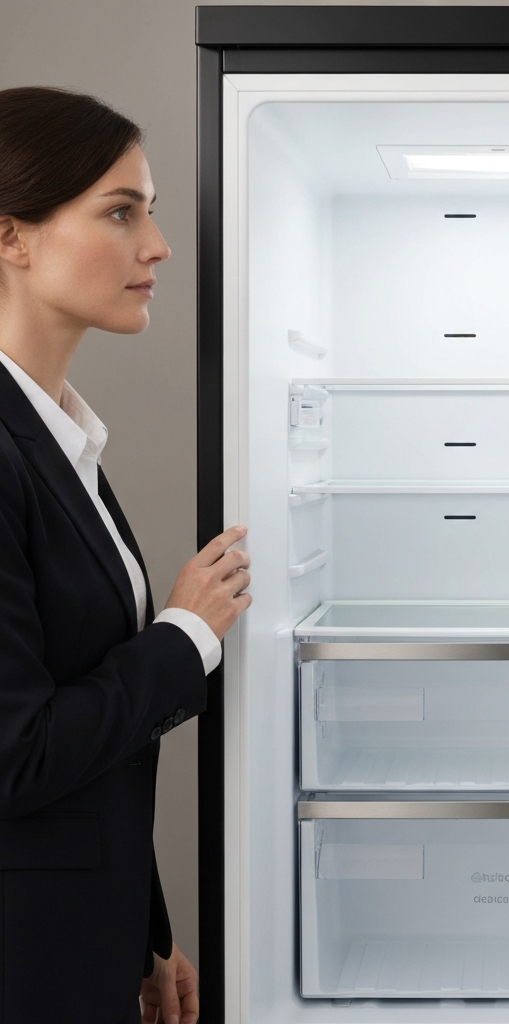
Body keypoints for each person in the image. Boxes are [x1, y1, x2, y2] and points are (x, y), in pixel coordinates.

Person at [0, 87, 251, 1024]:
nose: (158, 246)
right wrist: (187, 632)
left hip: (78, 939)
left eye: (149, 211)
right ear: (12, 237)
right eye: (120, 211)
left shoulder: (59, 441)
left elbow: (98, 747)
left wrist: (142, 932)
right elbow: (16, 757)